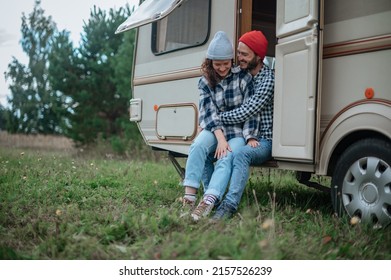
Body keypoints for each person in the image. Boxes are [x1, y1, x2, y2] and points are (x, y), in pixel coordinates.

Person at [181, 31, 259, 221]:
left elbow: (251, 110)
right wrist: (220, 138)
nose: (222, 68)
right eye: (218, 64)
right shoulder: (205, 81)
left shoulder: (243, 78)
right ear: (210, 62)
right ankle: (189, 198)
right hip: (215, 129)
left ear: (231, 60)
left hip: (237, 132)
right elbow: (208, 112)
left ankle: (208, 201)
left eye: (226, 63)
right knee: (198, 146)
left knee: (226, 158)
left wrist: (250, 136)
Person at [210, 30, 275, 220]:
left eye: (244, 54)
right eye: (238, 53)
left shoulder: (268, 80)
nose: (239, 58)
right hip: (239, 133)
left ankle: (229, 206)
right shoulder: (241, 75)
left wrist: (217, 118)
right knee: (208, 150)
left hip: (264, 140)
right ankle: (210, 196)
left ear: (259, 56)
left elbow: (247, 110)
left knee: (241, 154)